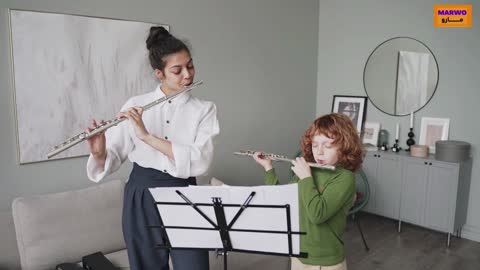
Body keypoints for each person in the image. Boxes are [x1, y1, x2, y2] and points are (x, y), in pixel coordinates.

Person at [85, 26, 219, 270]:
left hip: (184, 192)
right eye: (177, 70)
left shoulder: (204, 109)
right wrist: (98, 152)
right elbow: (113, 155)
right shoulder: (135, 105)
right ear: (159, 73)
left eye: (190, 66)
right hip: (141, 194)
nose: (187, 75)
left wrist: (147, 136)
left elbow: (200, 161)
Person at [252, 113, 363, 270]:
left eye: (328, 145)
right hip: (299, 254)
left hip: (326, 262)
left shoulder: (345, 178)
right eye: (315, 144)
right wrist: (268, 167)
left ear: (344, 146)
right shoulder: (310, 171)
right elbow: (281, 201)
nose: (319, 152)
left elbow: (317, 214)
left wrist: (305, 177)